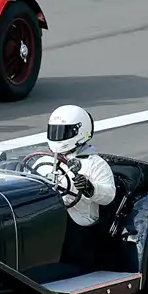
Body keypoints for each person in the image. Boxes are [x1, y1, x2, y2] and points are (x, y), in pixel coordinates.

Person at [45, 105, 118, 271]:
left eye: (63, 132)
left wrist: (89, 187)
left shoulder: (95, 163)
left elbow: (109, 195)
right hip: (51, 216)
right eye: (54, 131)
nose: (58, 137)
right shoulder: (45, 160)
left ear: (79, 131)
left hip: (81, 224)